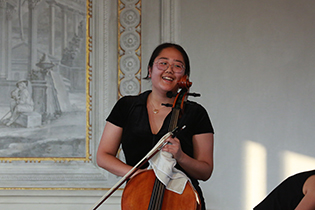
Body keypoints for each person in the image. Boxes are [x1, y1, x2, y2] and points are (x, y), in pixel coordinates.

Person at [96, 43, 214, 210]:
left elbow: (205, 171)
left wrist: (181, 156)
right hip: (140, 197)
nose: (169, 69)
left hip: (181, 201)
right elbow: (103, 156)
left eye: (177, 66)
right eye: (163, 63)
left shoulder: (196, 113)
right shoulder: (126, 106)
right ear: (150, 70)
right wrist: (140, 177)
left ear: (185, 77)